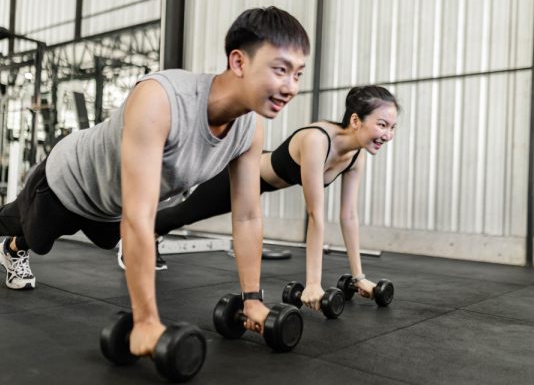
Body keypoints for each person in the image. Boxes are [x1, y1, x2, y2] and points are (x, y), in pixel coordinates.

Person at [0, 6, 309, 357]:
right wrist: (145, 322)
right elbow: (139, 216)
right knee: (28, 230)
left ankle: (18, 242)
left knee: (104, 239)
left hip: (111, 206)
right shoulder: (162, 99)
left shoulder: (249, 130)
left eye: (298, 74)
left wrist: (252, 301)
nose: (291, 87)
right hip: (68, 180)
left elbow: (248, 215)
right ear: (239, 62)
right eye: (280, 70)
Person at [127, 85, 399, 312]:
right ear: (355, 121)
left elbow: (348, 216)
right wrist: (313, 283)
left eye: (393, 127)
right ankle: (136, 229)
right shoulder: (318, 140)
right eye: (382, 125)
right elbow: (316, 216)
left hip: (262, 184)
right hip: (238, 175)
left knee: (183, 214)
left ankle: (148, 230)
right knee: (183, 214)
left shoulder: (355, 156)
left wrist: (359, 277)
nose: (388, 135)